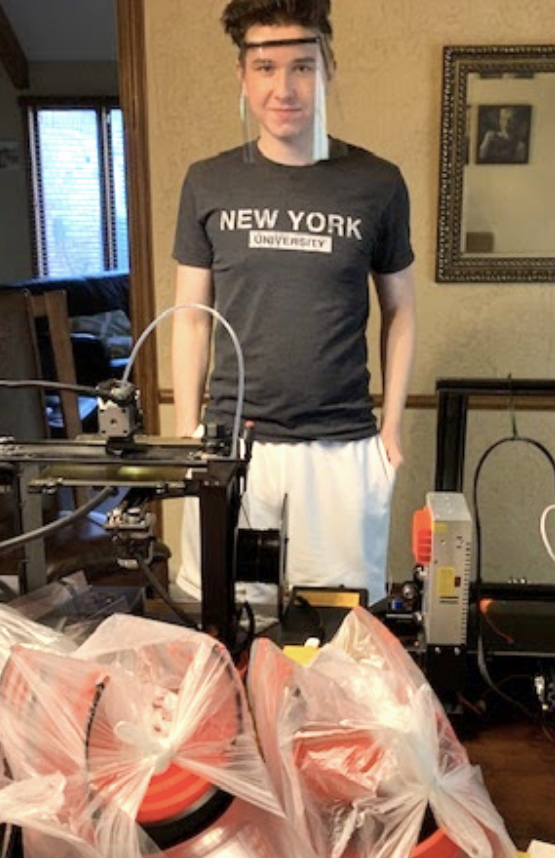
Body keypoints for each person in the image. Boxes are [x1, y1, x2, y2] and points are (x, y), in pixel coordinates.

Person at [171, 0, 417, 611]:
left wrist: (391, 427)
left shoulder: (377, 182)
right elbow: (191, 317)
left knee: (334, 628)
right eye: (265, 68)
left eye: (302, 67)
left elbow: (402, 313)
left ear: (328, 68)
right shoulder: (208, 181)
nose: (284, 88)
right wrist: (185, 431)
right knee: (235, 620)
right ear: (242, 76)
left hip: (340, 449)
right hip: (235, 449)